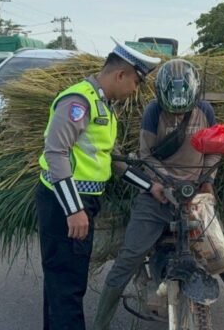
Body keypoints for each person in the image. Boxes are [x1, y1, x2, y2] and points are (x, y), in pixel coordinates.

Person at [93, 59, 224, 330]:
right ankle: (99, 325)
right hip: (157, 195)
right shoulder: (153, 111)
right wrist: (163, 181)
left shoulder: (205, 110)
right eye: (172, 109)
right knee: (128, 259)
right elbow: (146, 154)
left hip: (196, 197)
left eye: (183, 109)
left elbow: (214, 148)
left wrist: (208, 180)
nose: (177, 114)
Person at [36, 40, 160, 330]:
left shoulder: (101, 105)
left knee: (63, 281)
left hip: (80, 202)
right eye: (136, 82)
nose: (135, 90)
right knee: (67, 283)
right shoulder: (78, 102)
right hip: (64, 202)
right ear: (120, 75)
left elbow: (110, 158)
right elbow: (56, 153)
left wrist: (148, 186)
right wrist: (73, 209)